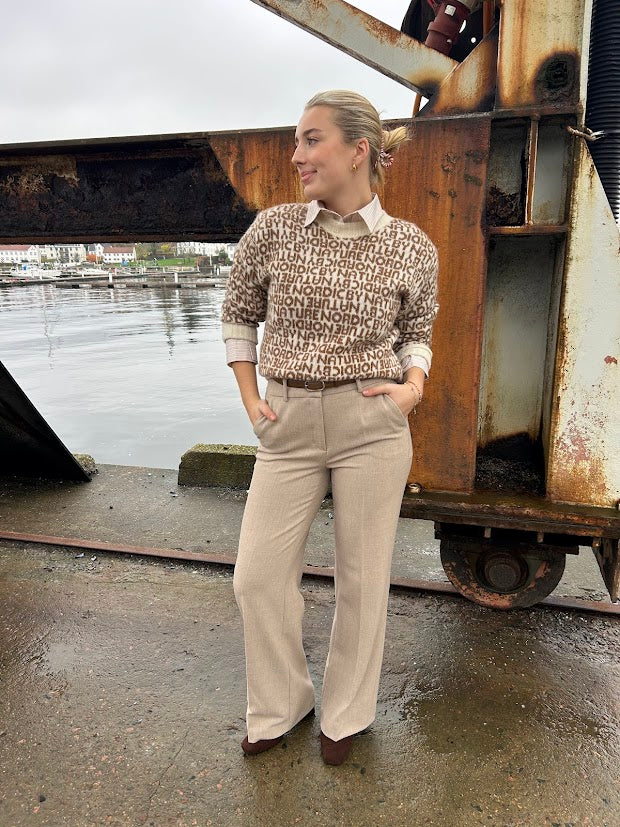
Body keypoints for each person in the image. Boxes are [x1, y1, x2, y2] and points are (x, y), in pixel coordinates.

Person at [220, 90, 439, 766]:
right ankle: (281, 702)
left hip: (370, 423)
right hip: (286, 423)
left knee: (363, 580)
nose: (297, 156)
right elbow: (238, 312)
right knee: (256, 577)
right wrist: (251, 400)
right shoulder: (275, 228)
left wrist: (412, 389)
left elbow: (417, 332)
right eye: (298, 141)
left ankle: (347, 713)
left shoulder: (411, 245)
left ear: (358, 150)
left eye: (311, 140)